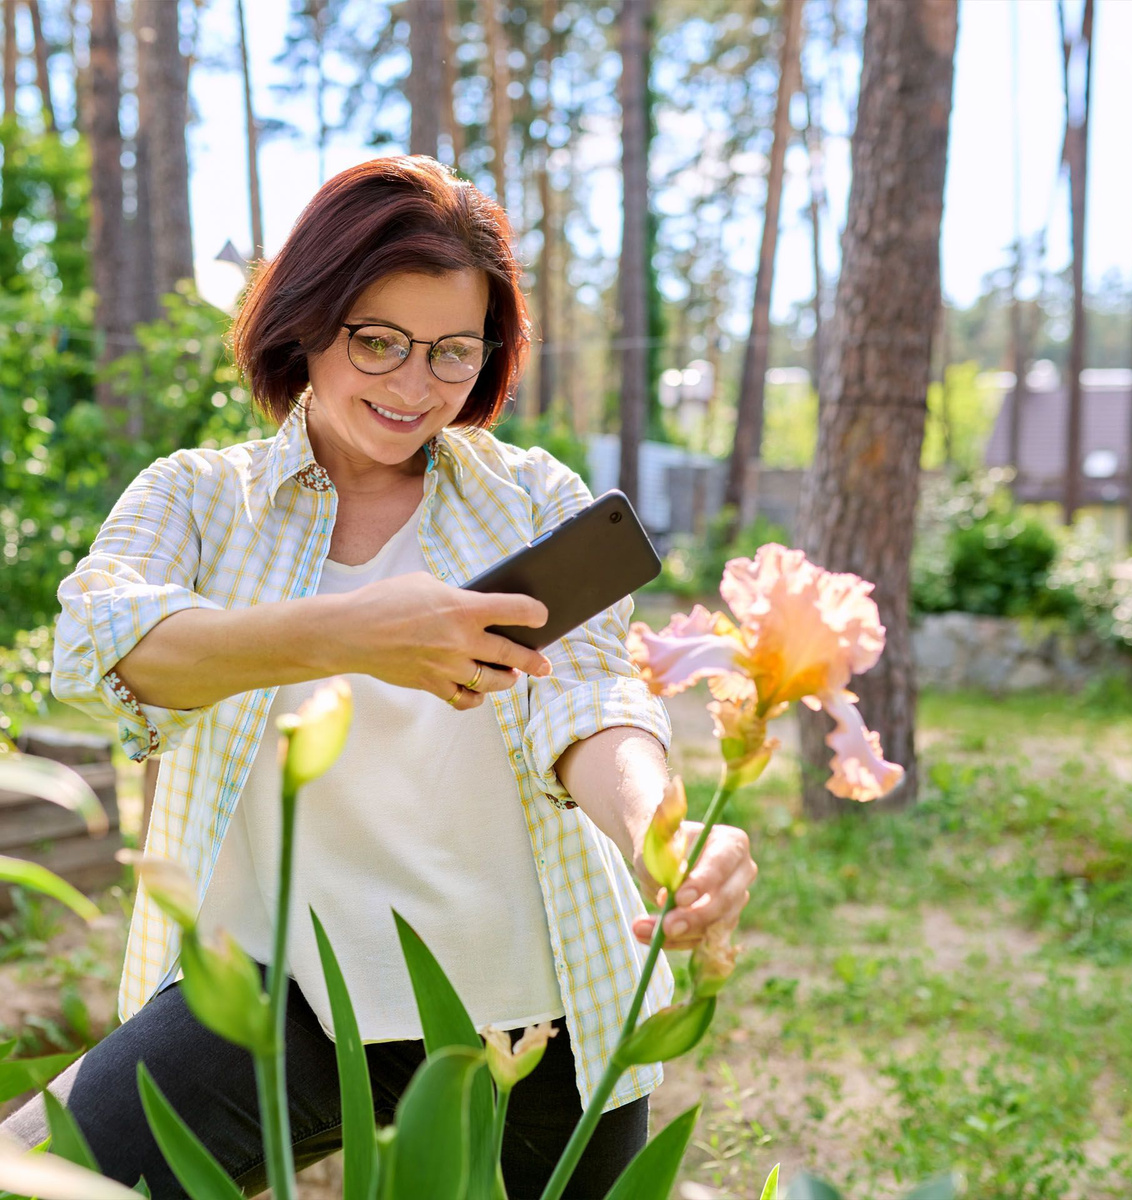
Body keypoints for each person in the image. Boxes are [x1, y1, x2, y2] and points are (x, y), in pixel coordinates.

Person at [1, 156, 756, 1198]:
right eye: (378, 341)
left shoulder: (530, 497)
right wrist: (351, 633)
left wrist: (659, 831)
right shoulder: (198, 498)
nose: (413, 387)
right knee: (34, 1176)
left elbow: (590, 699)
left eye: (453, 352)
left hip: (532, 1006)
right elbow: (101, 648)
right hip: (279, 994)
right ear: (306, 322)